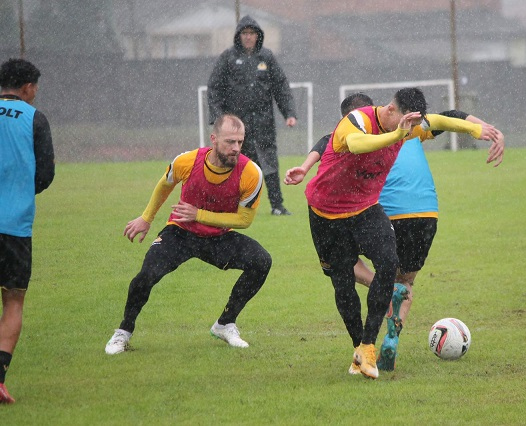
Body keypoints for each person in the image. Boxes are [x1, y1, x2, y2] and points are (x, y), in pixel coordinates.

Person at [286, 94, 504, 373]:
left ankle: (370, 340)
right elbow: (356, 143)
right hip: (357, 212)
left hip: (372, 208)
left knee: (380, 262)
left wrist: (479, 130)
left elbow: (439, 119)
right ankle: (370, 341)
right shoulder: (356, 124)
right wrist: (398, 135)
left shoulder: (404, 126)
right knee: (359, 282)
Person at [105, 114, 271, 355]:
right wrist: (146, 218)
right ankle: (123, 332)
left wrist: (199, 214)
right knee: (146, 276)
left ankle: (225, 324)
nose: (235, 148)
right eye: (229, 142)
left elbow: (244, 220)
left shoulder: (251, 173)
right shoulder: (187, 161)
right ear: (213, 139)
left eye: (240, 142)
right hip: (180, 233)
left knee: (261, 261)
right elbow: (165, 184)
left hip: (219, 238)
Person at [0, 58, 55, 404]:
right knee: (13, 301)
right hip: (15, 226)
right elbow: (46, 174)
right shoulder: (35, 119)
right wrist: (20, 190)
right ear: (28, 88)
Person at [207, 15, 297, 216]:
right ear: (239, 36)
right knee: (235, 164)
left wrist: (289, 113)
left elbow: (281, 86)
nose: (248, 37)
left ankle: (277, 206)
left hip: (264, 122)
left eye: (252, 33)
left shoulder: (266, 57)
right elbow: (214, 88)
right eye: (245, 33)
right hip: (237, 127)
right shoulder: (228, 58)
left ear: (258, 36)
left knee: (270, 163)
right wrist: (219, 118)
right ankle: (231, 205)